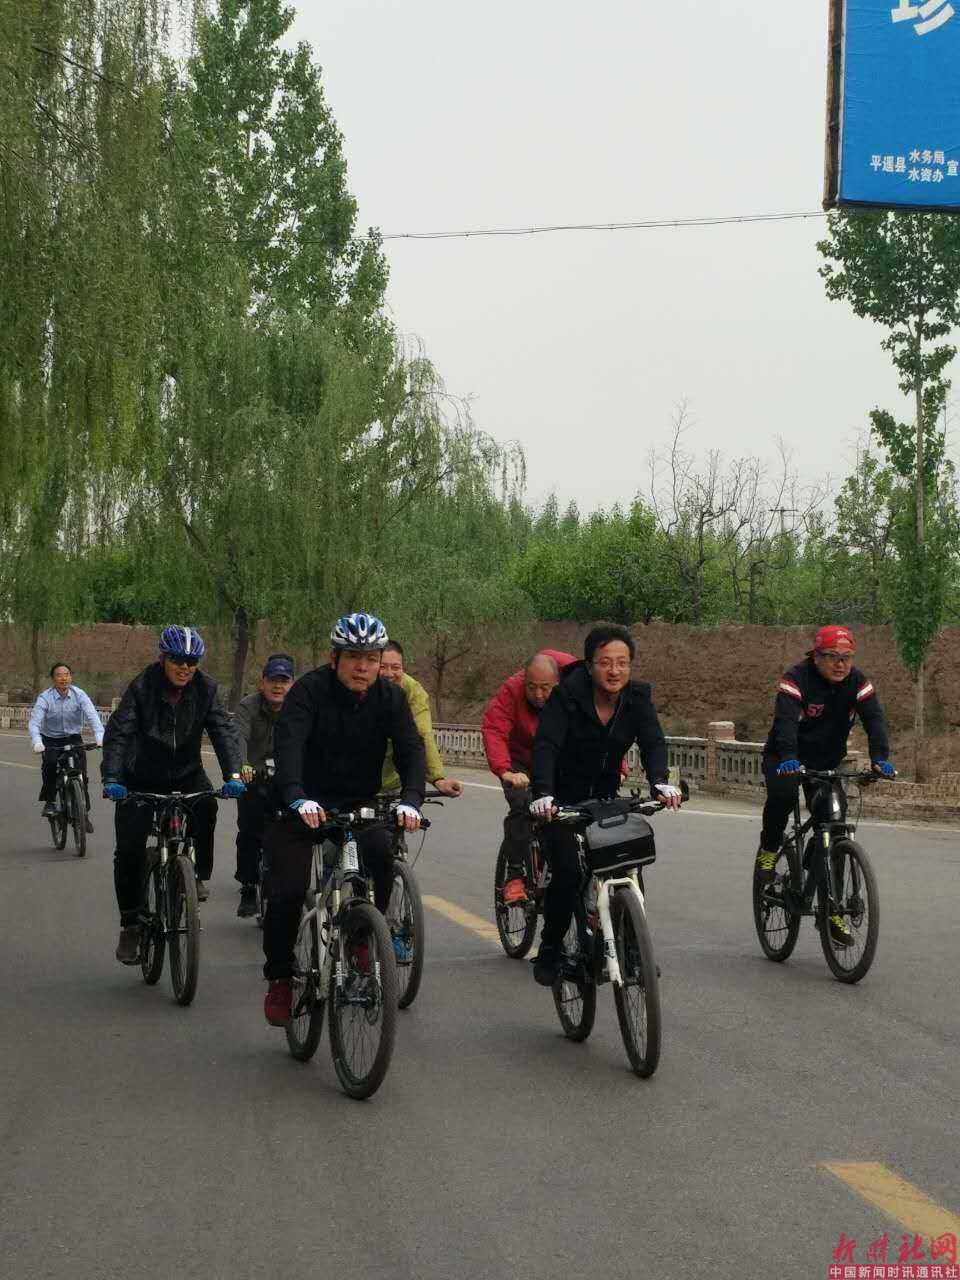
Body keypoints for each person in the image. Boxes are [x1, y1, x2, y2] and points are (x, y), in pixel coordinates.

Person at [261, 612, 426, 1027]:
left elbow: (411, 750)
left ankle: (363, 938)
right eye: (354, 656)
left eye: (371, 658)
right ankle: (280, 976)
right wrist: (296, 796)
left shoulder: (390, 699)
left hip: (358, 803)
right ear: (334, 658)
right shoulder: (308, 692)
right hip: (302, 803)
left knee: (381, 856)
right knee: (287, 890)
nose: (363, 667)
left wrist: (411, 799)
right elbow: (289, 746)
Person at [529, 624, 681, 987]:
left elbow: (653, 742)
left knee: (628, 862)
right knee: (568, 872)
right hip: (561, 802)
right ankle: (550, 948)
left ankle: (633, 947)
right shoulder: (565, 697)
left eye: (622, 663)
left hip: (605, 799)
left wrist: (660, 780)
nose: (615, 671)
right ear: (589, 665)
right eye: (605, 663)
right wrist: (543, 793)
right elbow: (546, 746)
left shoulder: (637, 699)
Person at [101, 625, 245, 963]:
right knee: (130, 850)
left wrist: (234, 775)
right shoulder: (142, 687)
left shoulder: (206, 689)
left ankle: (198, 874)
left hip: (186, 772)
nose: (185, 667)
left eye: (192, 662)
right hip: (140, 777)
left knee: (207, 805)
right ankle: (131, 924)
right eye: (178, 660)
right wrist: (112, 777)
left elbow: (223, 731)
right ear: (163, 658)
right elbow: (120, 733)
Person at [755, 624, 895, 945]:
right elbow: (786, 722)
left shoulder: (858, 682)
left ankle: (831, 910)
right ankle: (769, 849)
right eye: (832, 656)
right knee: (783, 795)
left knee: (834, 823)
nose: (840, 664)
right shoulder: (796, 678)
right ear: (816, 656)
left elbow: (874, 719)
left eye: (846, 657)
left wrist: (880, 757)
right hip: (785, 757)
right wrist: (788, 756)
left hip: (825, 762)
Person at [482, 649, 576, 901]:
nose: (538, 695)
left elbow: (601, 727)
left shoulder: (575, 687)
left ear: (558, 682)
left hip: (556, 758)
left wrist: (619, 769)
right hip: (520, 761)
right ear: (524, 680)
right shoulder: (512, 690)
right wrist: (505, 770)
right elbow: (494, 728)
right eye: (532, 687)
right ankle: (515, 875)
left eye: (546, 688)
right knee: (522, 805)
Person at [233, 653, 296, 918]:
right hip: (254, 776)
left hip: (286, 777)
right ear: (263, 683)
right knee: (250, 829)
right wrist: (242, 766)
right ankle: (248, 887)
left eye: (284, 680)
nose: (278, 686)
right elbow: (238, 737)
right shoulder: (248, 706)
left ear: (292, 684)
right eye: (273, 680)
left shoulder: (298, 708)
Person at [380, 640, 462, 798]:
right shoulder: (359, 684)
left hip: (392, 780)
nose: (389, 674)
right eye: (382, 667)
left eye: (396, 667)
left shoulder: (412, 690)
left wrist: (437, 778)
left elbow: (423, 733)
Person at [29, 662, 104, 831]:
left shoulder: (79, 695)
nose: (63, 678)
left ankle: (84, 814)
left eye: (67, 674)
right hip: (51, 739)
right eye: (59, 675)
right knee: (49, 765)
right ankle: (50, 801)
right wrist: (37, 741)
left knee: (82, 775)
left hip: (73, 738)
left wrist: (99, 736)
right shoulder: (45, 698)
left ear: (71, 677)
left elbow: (92, 716)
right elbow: (34, 723)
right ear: (53, 679)